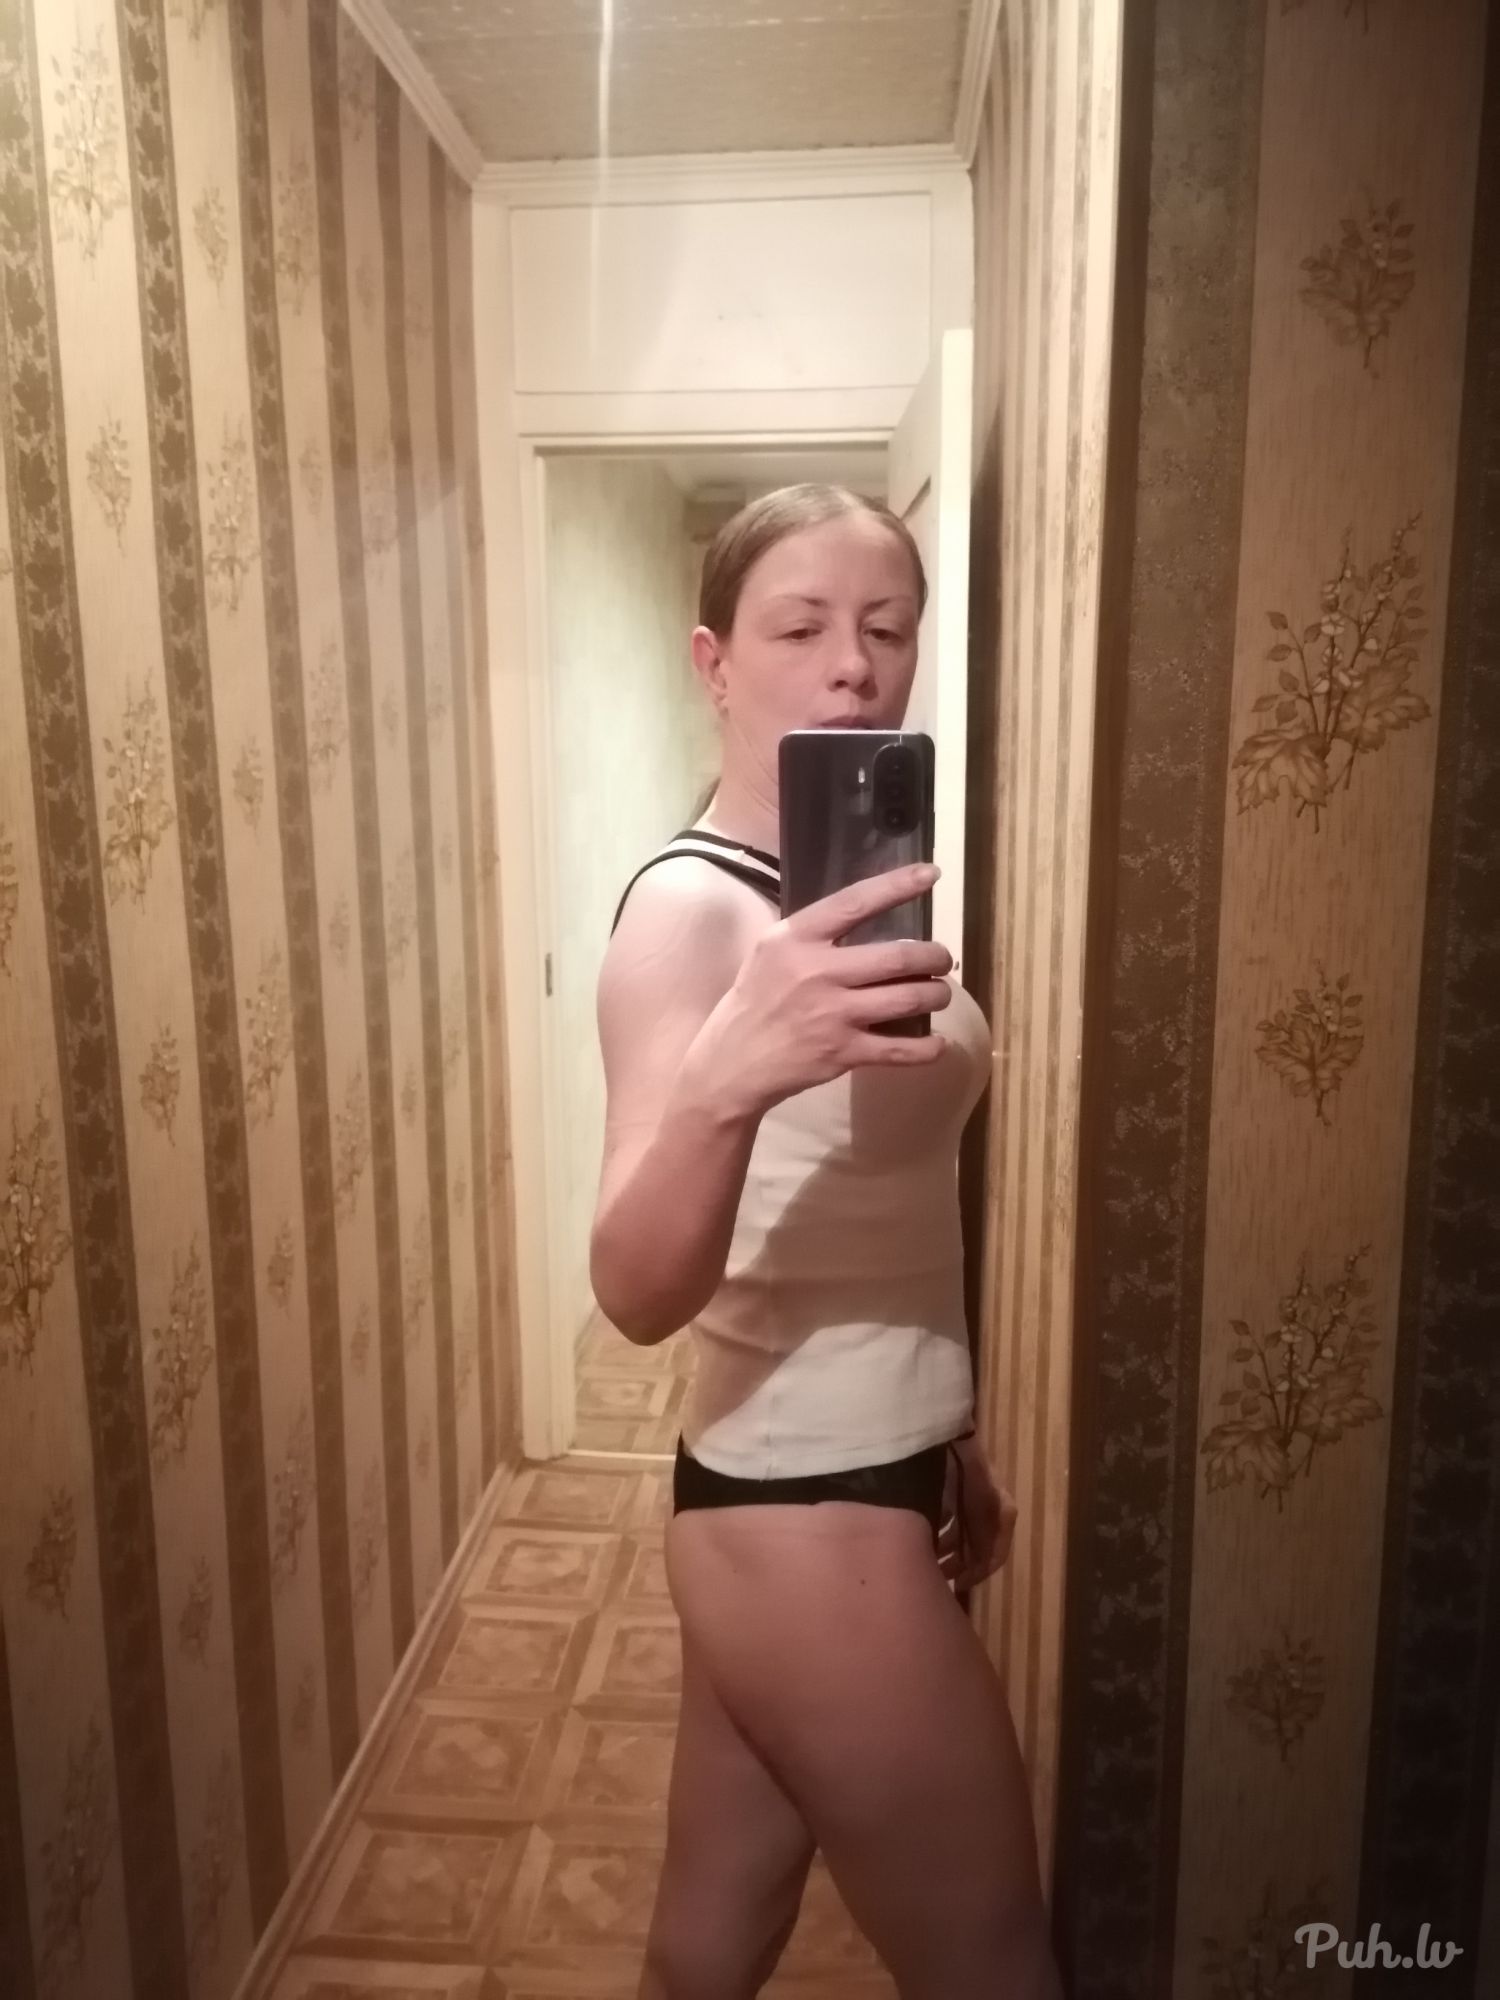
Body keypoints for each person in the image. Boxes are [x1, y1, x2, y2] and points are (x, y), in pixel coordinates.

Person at [591, 484, 1064, 2000]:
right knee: (998, 1966)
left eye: (888, 628)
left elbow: (884, 1208)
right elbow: (634, 1290)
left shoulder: (849, 890)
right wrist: (732, 1074)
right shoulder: (692, 916)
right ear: (715, 661)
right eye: (801, 627)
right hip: (806, 1513)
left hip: (840, 1483)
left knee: (709, 1945)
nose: (855, 664)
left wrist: (949, 1431)